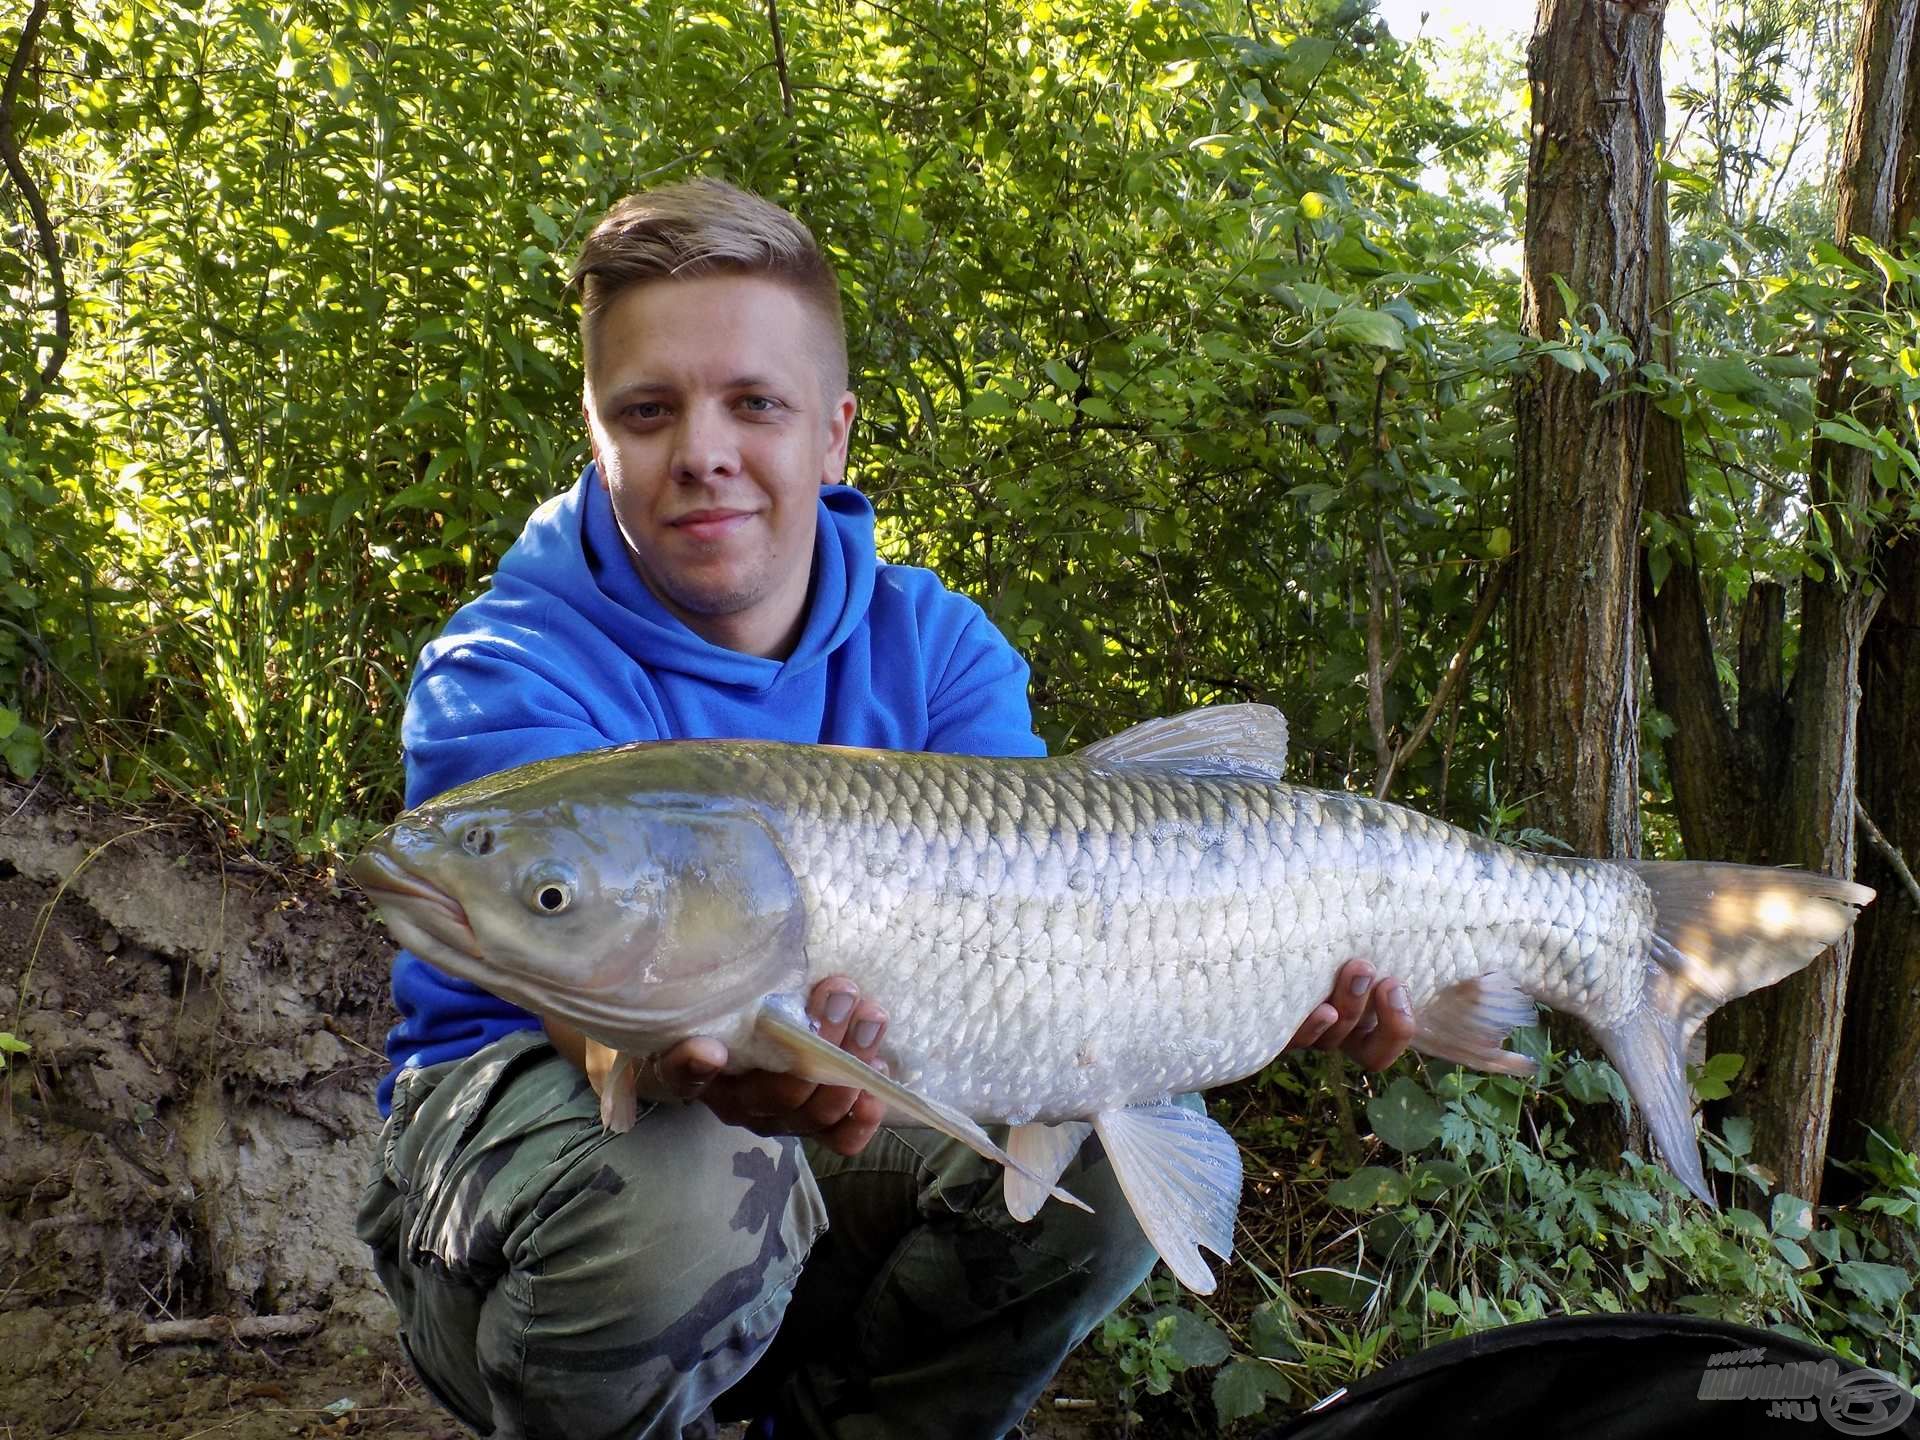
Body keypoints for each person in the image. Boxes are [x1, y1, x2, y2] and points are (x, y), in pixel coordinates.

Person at [355, 177, 1417, 1440]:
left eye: (755, 403)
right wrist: (711, 1049)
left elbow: (1055, 961)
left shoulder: (943, 648)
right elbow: (618, 1008)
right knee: (691, 1176)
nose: (702, 451)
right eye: (648, 410)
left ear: (834, 435)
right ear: (595, 428)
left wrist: (1258, 975)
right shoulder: (504, 669)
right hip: (527, 1197)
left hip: (822, 1151)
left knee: (1100, 1154)